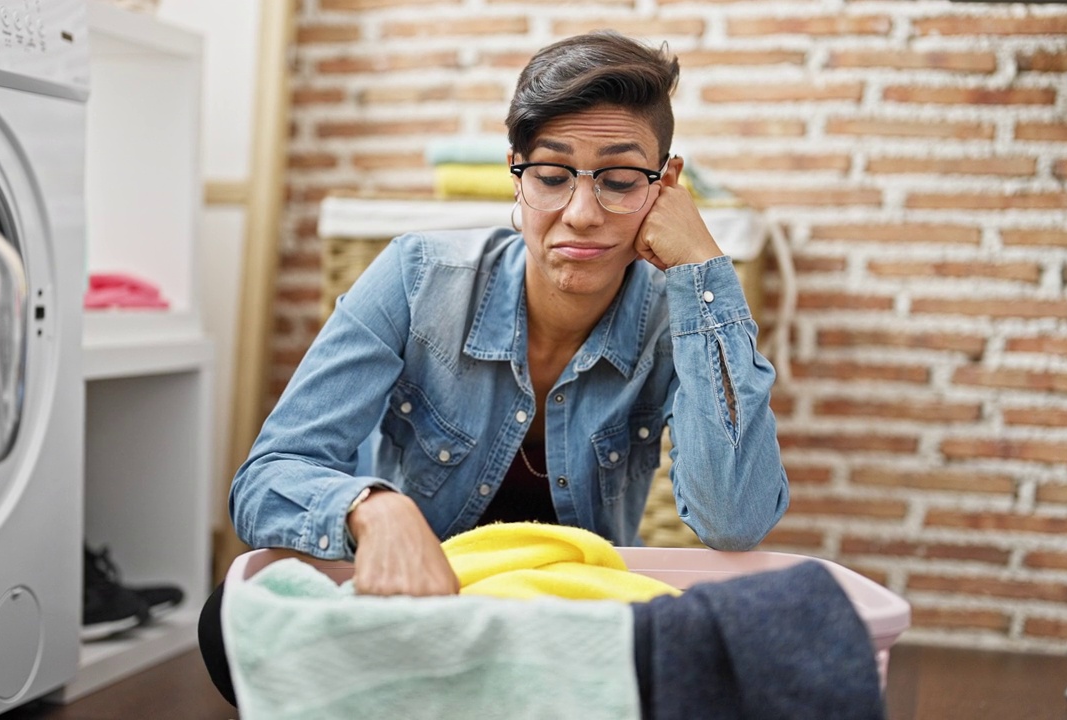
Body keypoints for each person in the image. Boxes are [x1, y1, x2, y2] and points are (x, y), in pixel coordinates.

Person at [199, 30, 789, 704]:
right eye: (551, 176)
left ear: (667, 186)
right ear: (517, 173)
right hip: (419, 614)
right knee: (230, 619)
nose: (582, 213)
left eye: (622, 181)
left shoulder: (677, 314)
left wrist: (701, 273)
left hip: (564, 621)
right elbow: (266, 479)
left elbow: (734, 520)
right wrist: (373, 508)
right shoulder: (417, 278)